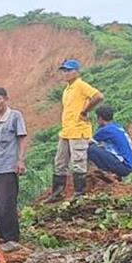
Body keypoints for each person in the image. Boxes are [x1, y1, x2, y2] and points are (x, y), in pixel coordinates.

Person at [50, 58, 104, 201]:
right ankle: (57, 193)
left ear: (76, 71)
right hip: (67, 130)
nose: (66, 73)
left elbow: (98, 96)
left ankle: (79, 193)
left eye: (69, 70)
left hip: (79, 130)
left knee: (78, 162)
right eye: (64, 71)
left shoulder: (80, 85)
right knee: (60, 162)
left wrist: (85, 111)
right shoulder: (67, 89)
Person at [0, 87, 29, 252]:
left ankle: (12, 238)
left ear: (5, 98)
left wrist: (20, 160)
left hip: (8, 167)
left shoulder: (14, 116)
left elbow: (21, 138)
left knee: (6, 203)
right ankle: (3, 235)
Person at [89, 105, 132, 179]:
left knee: (90, 149)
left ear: (100, 118)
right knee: (100, 148)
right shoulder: (117, 126)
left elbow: (88, 142)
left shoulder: (105, 130)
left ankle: (107, 172)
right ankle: (115, 174)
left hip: (123, 165)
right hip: (128, 165)